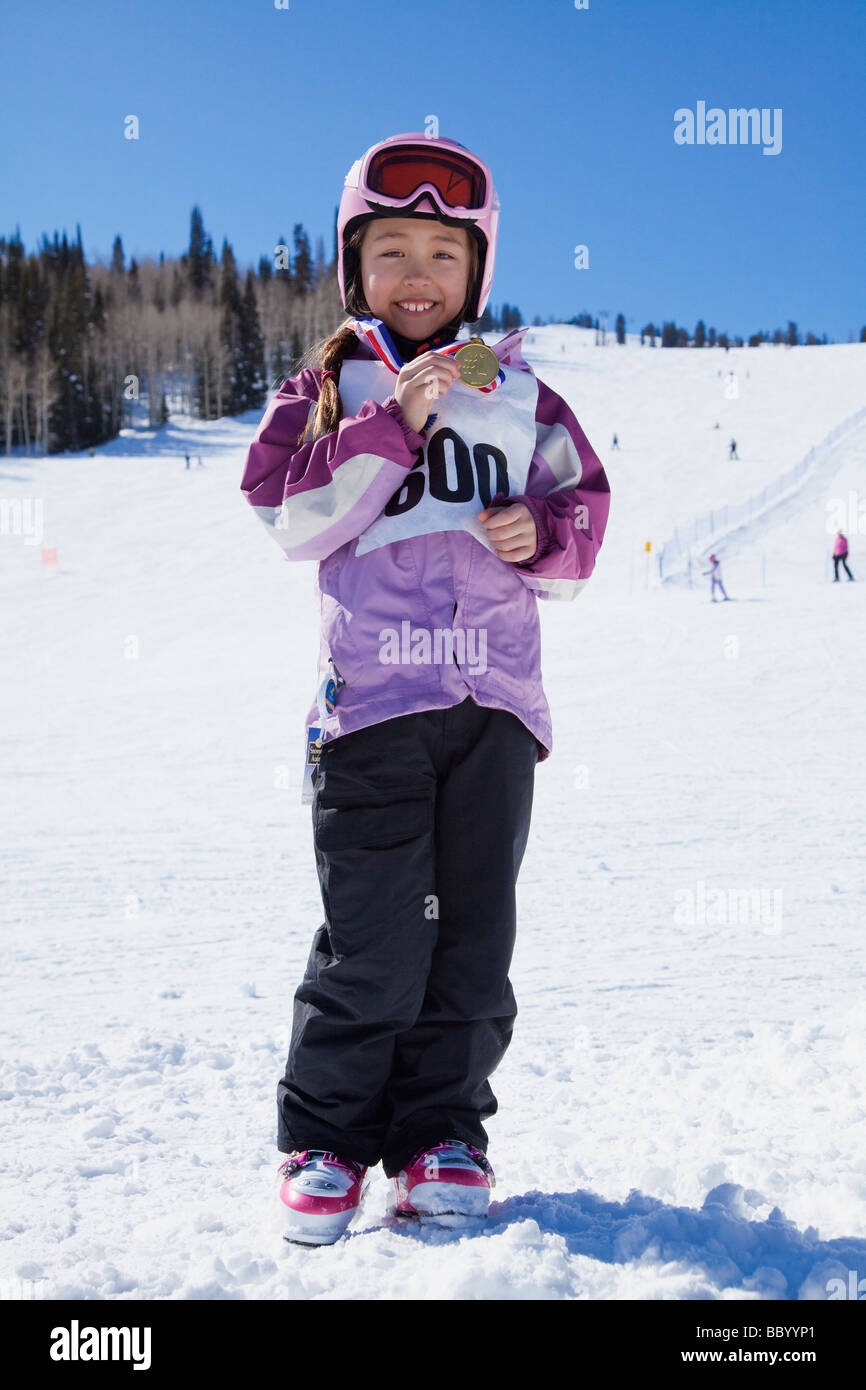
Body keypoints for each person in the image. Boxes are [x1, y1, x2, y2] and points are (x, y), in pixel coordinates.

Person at [240, 132, 611, 1246]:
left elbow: (584, 524)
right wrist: (388, 423)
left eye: (441, 256)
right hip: (371, 716)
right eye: (390, 248)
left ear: (475, 274)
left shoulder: (521, 395)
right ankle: (326, 1140)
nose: (415, 276)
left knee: (470, 939)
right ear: (354, 266)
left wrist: (534, 532)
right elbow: (287, 516)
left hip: (493, 712)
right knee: (375, 938)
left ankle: (443, 1135)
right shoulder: (324, 392)